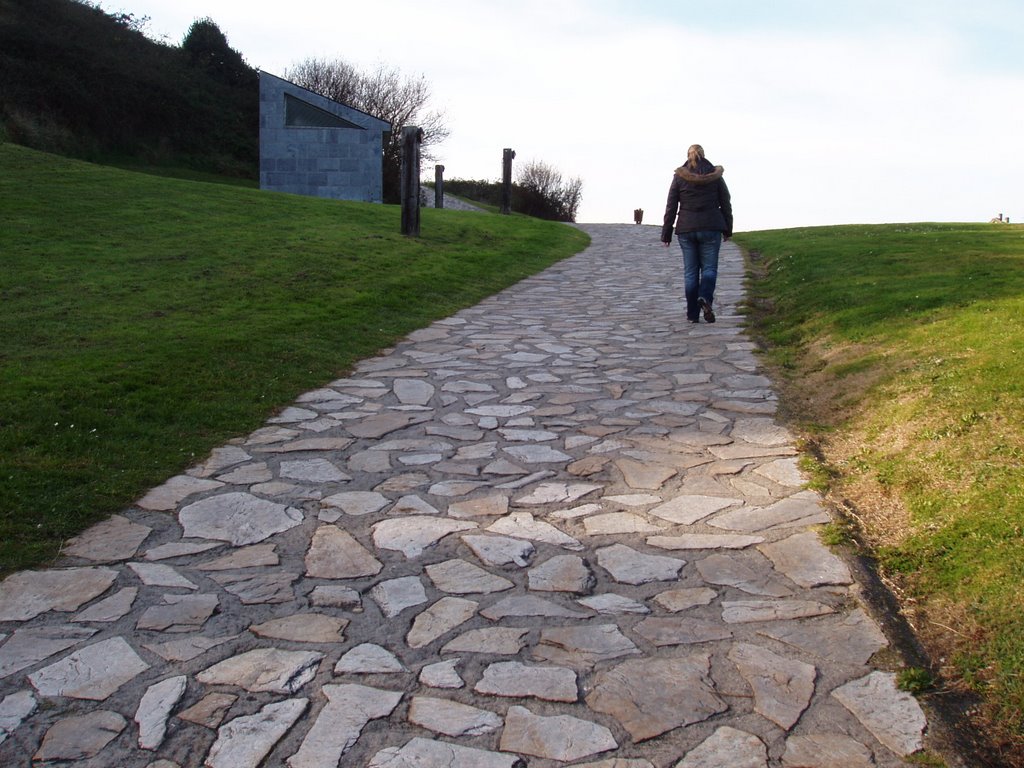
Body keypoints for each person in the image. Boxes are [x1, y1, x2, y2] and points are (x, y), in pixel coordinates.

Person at [661, 144, 733, 323]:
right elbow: (726, 203)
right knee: (709, 269)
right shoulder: (715, 176)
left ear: (688, 156)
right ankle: (705, 297)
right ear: (703, 155)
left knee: (690, 272)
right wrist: (728, 229)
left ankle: (692, 315)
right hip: (711, 227)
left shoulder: (679, 177)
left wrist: (666, 233)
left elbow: (671, 206)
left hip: (686, 229)